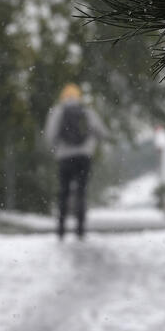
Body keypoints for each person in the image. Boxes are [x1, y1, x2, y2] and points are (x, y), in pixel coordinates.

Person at [44, 83, 108, 240]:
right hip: (84, 157)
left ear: (63, 96)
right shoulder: (87, 111)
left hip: (64, 157)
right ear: (79, 96)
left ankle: (61, 230)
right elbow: (101, 131)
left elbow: (50, 134)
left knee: (63, 192)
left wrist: (56, 149)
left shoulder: (58, 111)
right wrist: (92, 144)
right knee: (81, 192)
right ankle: (80, 230)